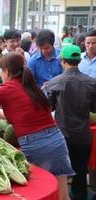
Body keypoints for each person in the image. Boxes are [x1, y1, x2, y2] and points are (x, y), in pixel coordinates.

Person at [0, 52, 74, 200]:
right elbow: (15, 116)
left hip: (36, 145)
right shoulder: (30, 86)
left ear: (6, 71)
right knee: (62, 195)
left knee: (38, 193)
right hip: (56, 140)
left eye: (0, 69)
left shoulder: (5, 89)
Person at [46, 45, 96, 200]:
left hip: (61, 136)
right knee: (81, 171)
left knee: (59, 174)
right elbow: (94, 108)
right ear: (79, 60)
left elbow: (50, 107)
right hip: (83, 135)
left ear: (62, 61)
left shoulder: (54, 82)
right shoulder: (92, 83)